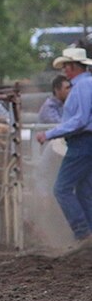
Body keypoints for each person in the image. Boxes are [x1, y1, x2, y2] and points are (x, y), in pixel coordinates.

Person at [36, 47, 92, 248]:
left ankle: (82, 233)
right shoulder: (84, 85)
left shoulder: (83, 86)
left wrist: (49, 134)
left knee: (62, 188)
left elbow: (80, 119)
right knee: (84, 189)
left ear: (73, 66)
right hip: (85, 141)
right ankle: (88, 234)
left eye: (66, 66)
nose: (64, 71)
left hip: (83, 142)